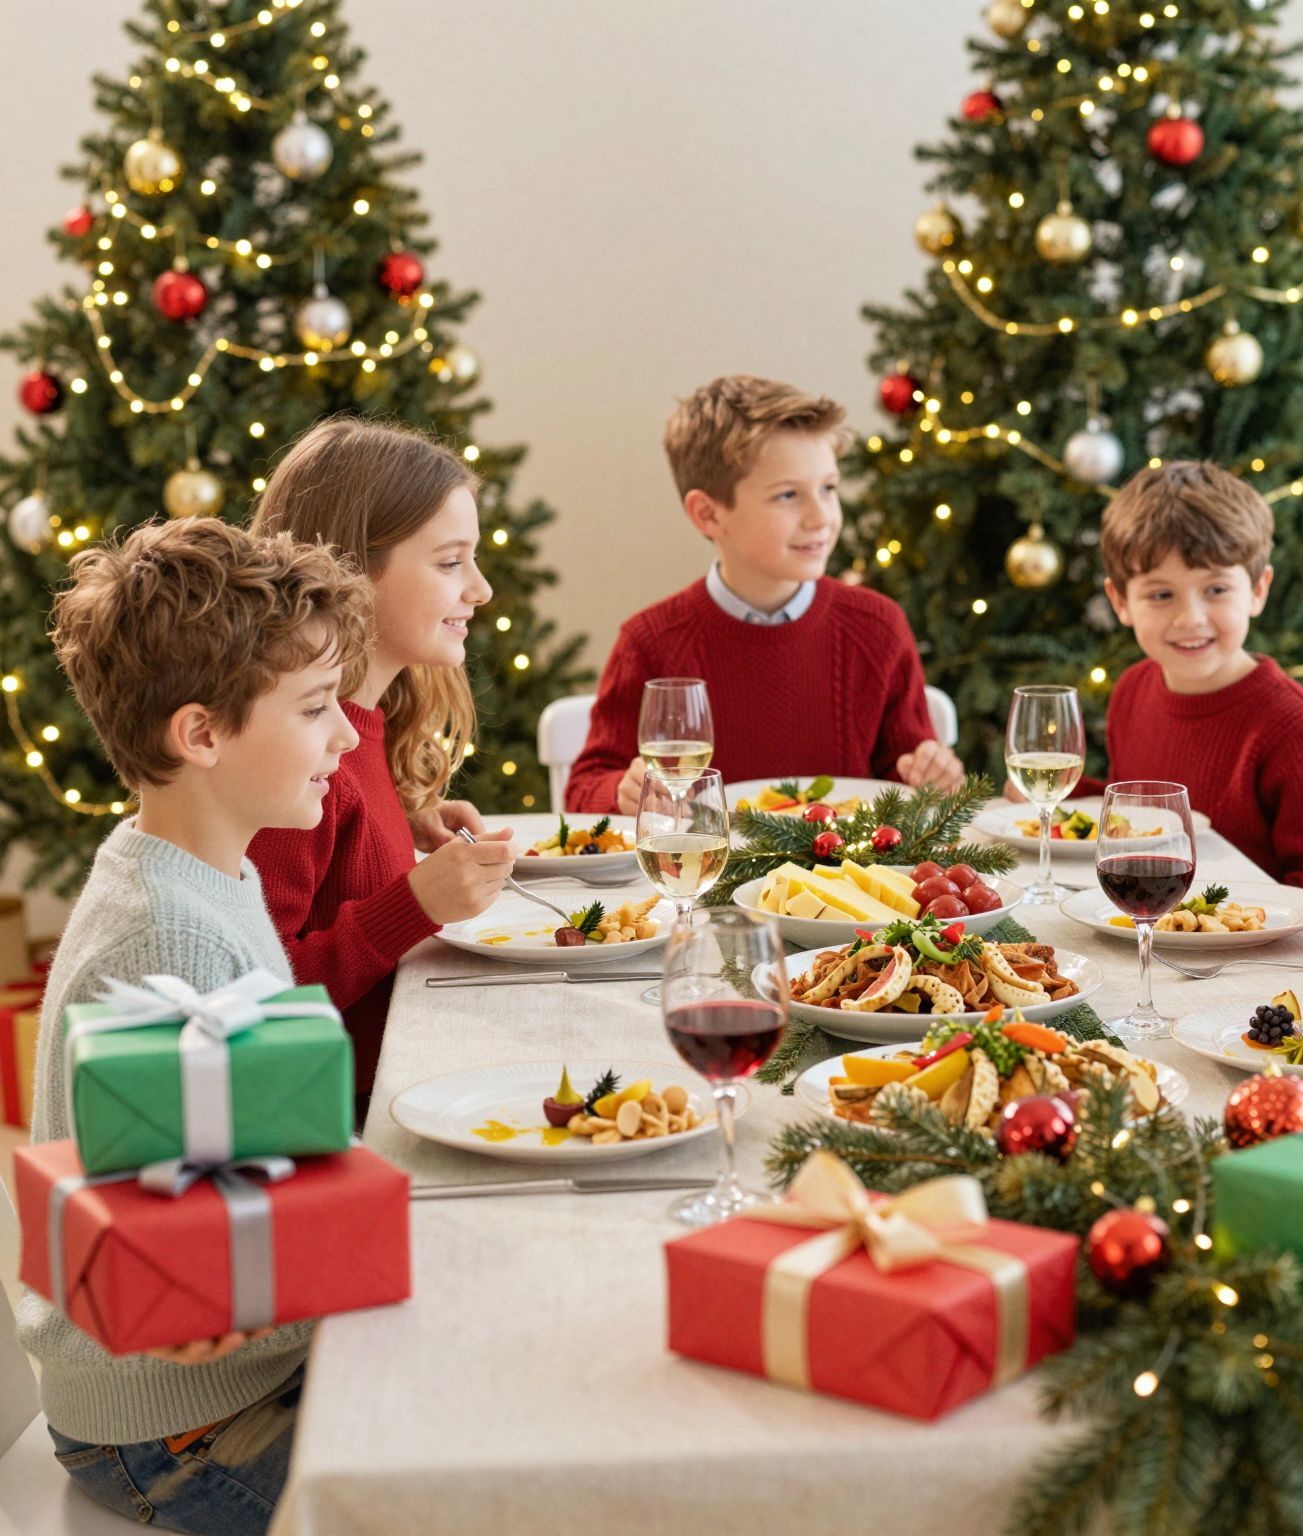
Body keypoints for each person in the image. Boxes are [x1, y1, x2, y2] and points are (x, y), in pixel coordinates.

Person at [26, 517, 373, 1532]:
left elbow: (255, 1170)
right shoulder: (165, 938)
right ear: (203, 734)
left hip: (224, 1387)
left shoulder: (203, 872)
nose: (346, 736)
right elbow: (187, 1283)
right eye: (315, 709)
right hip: (178, 1430)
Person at [248, 418, 514, 1100]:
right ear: (352, 572)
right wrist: (411, 904)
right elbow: (253, 997)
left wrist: (404, 815)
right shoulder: (296, 762)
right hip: (350, 1125)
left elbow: (344, 852)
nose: (479, 589)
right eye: (451, 562)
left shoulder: (366, 724)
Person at [565, 375, 964, 815]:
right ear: (709, 514)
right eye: (789, 495)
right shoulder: (650, 642)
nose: (821, 518)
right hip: (707, 879)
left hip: (844, 880)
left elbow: (906, 779)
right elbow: (584, 787)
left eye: (828, 489)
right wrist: (621, 789)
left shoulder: (878, 627)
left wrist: (930, 776)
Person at [1087, 461, 1303, 922]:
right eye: (1161, 595)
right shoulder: (1133, 690)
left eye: (1216, 589)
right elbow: (1136, 824)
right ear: (1120, 602)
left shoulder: (1297, 731)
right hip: (1157, 940)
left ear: (1258, 590)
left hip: (1251, 971)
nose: (1191, 618)